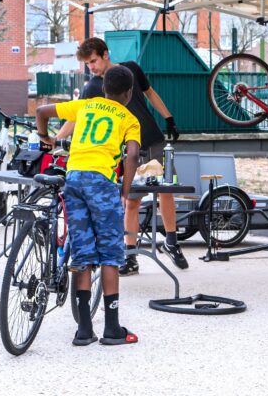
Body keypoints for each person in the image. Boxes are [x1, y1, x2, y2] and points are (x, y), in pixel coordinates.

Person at [35, 65, 141, 346]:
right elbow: (132, 155)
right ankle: (112, 328)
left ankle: (83, 330)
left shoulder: (85, 105)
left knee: (82, 251)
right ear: (128, 93)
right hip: (102, 183)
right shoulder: (129, 118)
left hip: (74, 179)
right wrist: (125, 191)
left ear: (104, 87)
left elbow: (42, 112)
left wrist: (45, 138)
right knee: (109, 254)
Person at [75, 37, 187, 275]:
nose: (91, 67)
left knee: (166, 192)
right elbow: (76, 117)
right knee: (132, 201)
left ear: (105, 54)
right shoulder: (92, 88)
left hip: (153, 140)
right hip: (129, 150)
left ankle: (171, 241)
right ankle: (131, 256)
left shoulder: (131, 69)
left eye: (93, 61)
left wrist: (169, 118)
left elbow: (150, 93)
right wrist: (53, 139)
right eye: (87, 64)